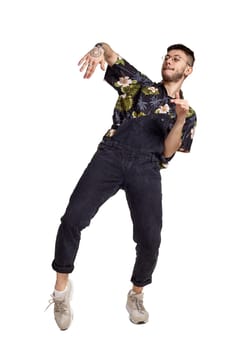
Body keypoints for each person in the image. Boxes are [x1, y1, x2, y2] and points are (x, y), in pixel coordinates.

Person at [47, 42, 197, 330]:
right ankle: (61, 292)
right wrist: (98, 49)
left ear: (187, 69)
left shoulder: (189, 114)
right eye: (167, 56)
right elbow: (110, 52)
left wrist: (179, 120)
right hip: (112, 155)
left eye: (176, 58)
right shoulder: (140, 86)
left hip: (147, 167)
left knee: (150, 239)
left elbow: (167, 153)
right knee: (72, 220)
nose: (169, 60)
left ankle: (136, 294)